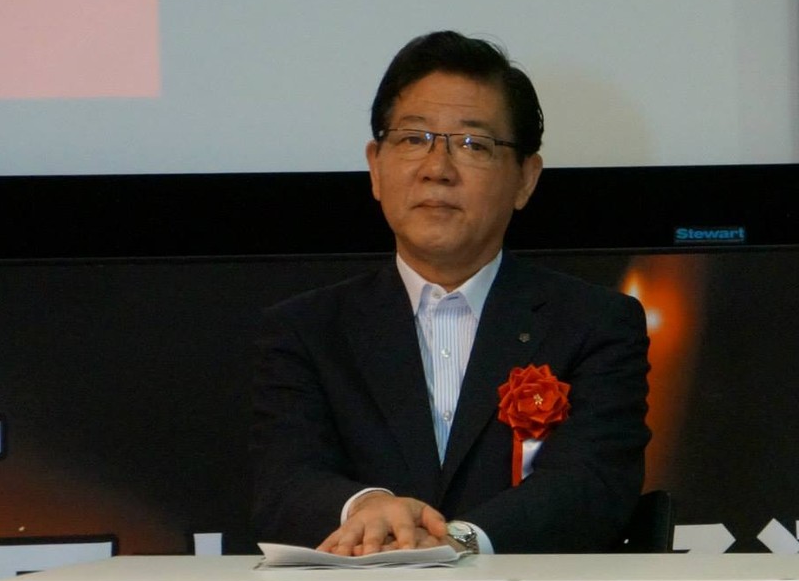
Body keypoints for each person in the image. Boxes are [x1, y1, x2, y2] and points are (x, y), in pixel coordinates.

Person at [251, 31, 650, 554]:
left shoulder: (595, 324)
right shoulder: (304, 331)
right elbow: (285, 482)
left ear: (526, 179)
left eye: (472, 145)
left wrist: (457, 542)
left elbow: (591, 485)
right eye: (412, 139)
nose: (437, 169)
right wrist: (368, 508)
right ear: (375, 167)